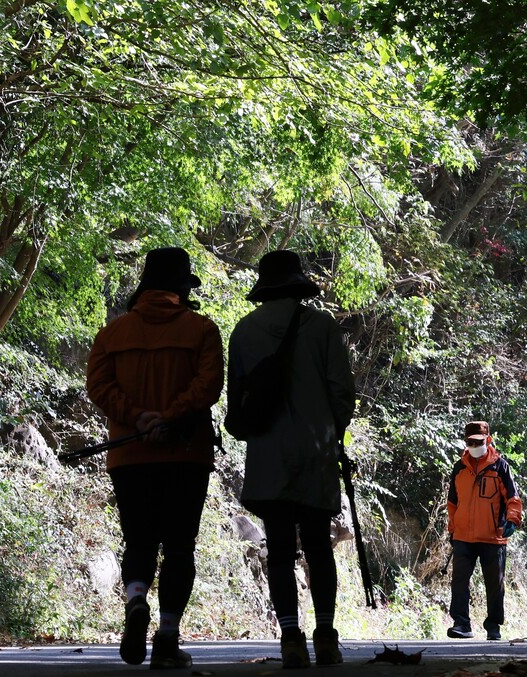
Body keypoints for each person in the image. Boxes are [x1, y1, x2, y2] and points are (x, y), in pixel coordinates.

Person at [86, 247, 223, 669]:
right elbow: (208, 386)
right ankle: (166, 637)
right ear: (182, 288)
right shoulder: (201, 330)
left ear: (145, 285)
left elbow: (99, 387)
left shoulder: (112, 334)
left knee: (139, 540)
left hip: (130, 456)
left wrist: (139, 418)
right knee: (180, 546)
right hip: (185, 454)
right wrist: (171, 416)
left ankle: (135, 599)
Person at [228, 250, 356, 668]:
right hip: (315, 453)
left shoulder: (244, 332)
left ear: (265, 287)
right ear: (298, 284)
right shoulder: (322, 328)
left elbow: (236, 412)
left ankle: (289, 638)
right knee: (319, 547)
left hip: (269, 455)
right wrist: (329, 433)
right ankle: (325, 636)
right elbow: (341, 392)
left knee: (280, 550)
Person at [446, 420, 523, 641]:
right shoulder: (459, 468)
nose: (474, 445)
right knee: (459, 581)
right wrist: (453, 529)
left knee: (494, 585)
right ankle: (461, 624)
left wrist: (512, 520)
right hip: (462, 536)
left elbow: (513, 499)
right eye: (470, 442)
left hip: (493, 537)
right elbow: (452, 503)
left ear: (488, 440)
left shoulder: (500, 466)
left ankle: (493, 627)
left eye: (478, 442)